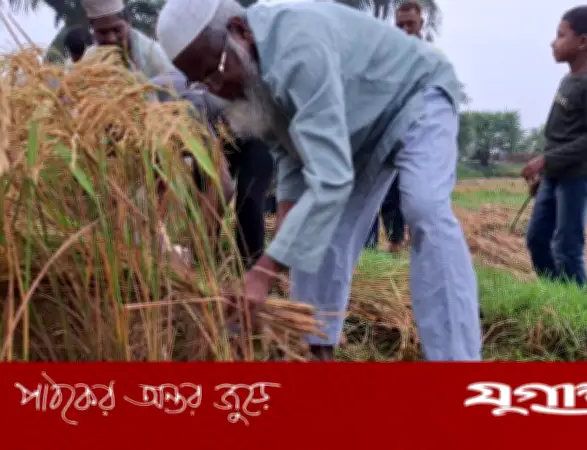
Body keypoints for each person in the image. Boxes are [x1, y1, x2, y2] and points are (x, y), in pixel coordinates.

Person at [156, 0, 481, 361]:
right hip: (357, 131)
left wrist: (264, 271)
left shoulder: (298, 48)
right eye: (203, 82)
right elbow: (288, 150)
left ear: (240, 31)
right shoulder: (251, 74)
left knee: (425, 208)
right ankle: (314, 349)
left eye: (215, 70)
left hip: (416, 94)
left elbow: (331, 180)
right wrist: (286, 218)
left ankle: (457, 362)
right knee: (316, 232)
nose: (216, 87)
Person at [520, 5, 587, 287]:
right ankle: (556, 297)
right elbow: (561, 133)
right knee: (536, 239)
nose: (553, 42)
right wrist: (546, 169)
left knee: (567, 247)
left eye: (560, 35)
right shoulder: (568, 79)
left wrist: (546, 160)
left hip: (577, 177)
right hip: (554, 175)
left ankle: (578, 312)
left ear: (582, 42)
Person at [151, 71, 275, 268]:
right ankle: (205, 267)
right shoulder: (141, 121)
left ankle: (251, 274)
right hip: (214, 131)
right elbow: (156, 185)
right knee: (201, 198)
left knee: (248, 201)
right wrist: (158, 244)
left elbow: (223, 187)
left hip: (252, 131)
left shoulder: (183, 111)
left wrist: (195, 250)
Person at [365, 0, 425, 252]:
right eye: (399, 24)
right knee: (382, 195)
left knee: (410, 196)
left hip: (416, 139)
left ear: (421, 23)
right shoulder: (385, 57)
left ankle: (407, 246)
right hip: (386, 136)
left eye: (410, 24)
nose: (404, 29)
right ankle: (383, 246)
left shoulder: (429, 59)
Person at [80, 0, 175, 80]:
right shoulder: (88, 60)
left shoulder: (154, 55)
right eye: (102, 32)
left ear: (128, 22)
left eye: (117, 30)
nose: (111, 39)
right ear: (93, 31)